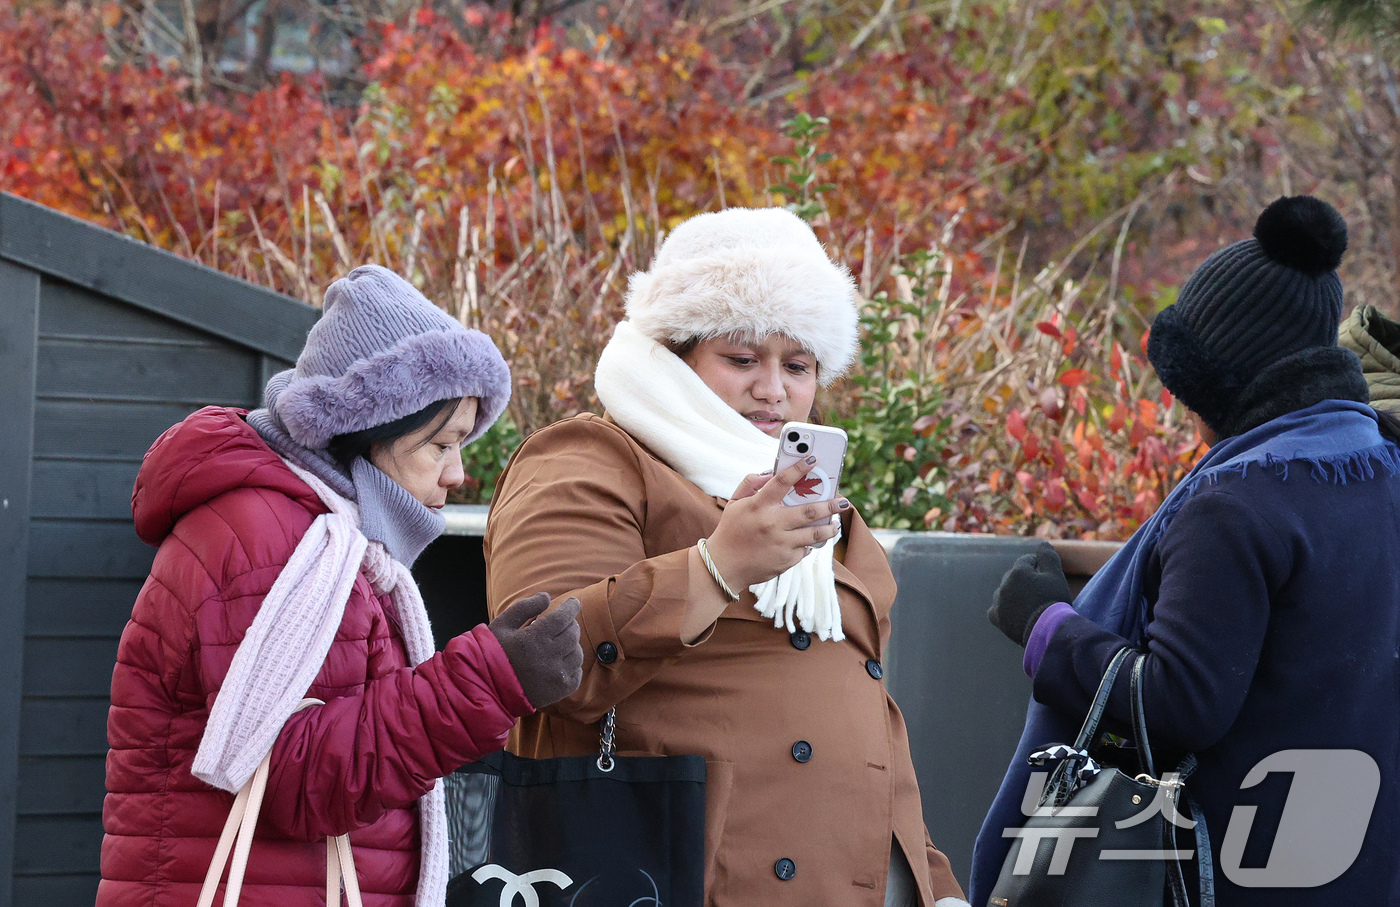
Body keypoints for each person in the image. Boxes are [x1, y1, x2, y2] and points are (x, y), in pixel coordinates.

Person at [483, 208, 969, 907]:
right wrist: (717, 567)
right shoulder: (590, 457)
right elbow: (546, 662)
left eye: (797, 365)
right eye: (742, 359)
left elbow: (869, 727)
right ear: (673, 355)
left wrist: (935, 886)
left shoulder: (817, 508)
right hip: (674, 879)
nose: (773, 389)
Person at [99, 265, 584, 907]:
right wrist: (491, 682)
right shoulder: (277, 540)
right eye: (440, 445)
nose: (460, 473)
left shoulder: (320, 534)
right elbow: (297, 775)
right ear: (367, 432)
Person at [973, 196, 1400, 905]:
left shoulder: (1235, 502)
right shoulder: (1379, 462)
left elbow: (1176, 705)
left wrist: (1045, 623)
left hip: (1240, 871)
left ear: (1220, 379)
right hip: (1364, 866)